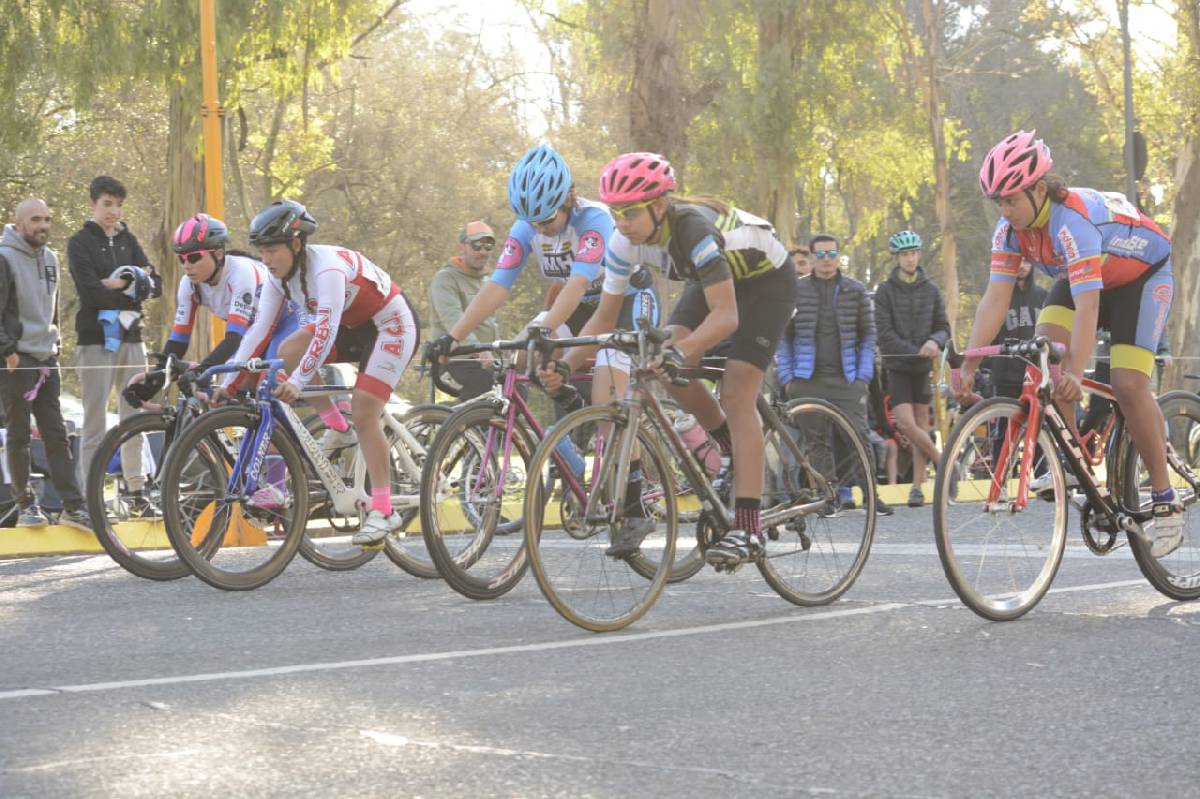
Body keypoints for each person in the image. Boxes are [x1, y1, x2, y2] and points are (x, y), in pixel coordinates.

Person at [542, 152, 797, 568]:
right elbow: (603, 317)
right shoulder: (625, 242)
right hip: (715, 281)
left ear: (660, 205)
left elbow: (727, 316)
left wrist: (678, 352)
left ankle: (748, 528)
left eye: (630, 213)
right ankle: (731, 449)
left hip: (767, 281)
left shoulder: (693, 229)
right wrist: (567, 366)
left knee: (735, 391)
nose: (621, 223)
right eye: (615, 213)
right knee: (667, 366)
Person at [957, 130, 1181, 556]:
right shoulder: (1009, 231)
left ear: (1039, 189)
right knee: (1043, 357)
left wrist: (1076, 373)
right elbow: (995, 299)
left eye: (1012, 200)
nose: (1005, 211)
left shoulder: (1072, 221)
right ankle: (1078, 466)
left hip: (1141, 278)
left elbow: (1090, 308)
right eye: (998, 202)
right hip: (1085, 280)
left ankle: (1168, 503)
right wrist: (969, 362)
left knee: (1129, 384)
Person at [219, 200, 420, 546]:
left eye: (271, 251)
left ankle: (385, 509)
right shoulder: (277, 277)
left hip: (389, 326)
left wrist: (298, 383)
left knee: (364, 410)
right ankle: (337, 427)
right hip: (352, 327)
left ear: (296, 244)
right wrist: (228, 381)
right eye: (261, 252)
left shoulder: (326, 270)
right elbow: (259, 329)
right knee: (287, 352)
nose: (265, 260)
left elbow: (324, 334)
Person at [774, 233, 892, 516]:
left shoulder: (856, 289)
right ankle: (827, 497)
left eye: (832, 254)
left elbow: (868, 336)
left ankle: (871, 495)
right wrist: (788, 377)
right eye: (821, 255)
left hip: (848, 380)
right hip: (806, 380)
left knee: (858, 437)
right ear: (812, 258)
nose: (827, 260)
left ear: (839, 257)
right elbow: (783, 336)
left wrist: (863, 377)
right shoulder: (795, 290)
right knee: (816, 442)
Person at [0, 199, 91, 530]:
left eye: (48, 220)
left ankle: (73, 506)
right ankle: (25, 505)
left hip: (46, 357)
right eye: (36, 220)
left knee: (57, 434)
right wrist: (8, 352)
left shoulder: (51, 258)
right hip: (17, 360)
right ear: (19, 222)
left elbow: (50, 309)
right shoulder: (4, 257)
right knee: (19, 435)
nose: (43, 226)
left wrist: (56, 345)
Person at [67, 175, 160, 489]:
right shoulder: (79, 242)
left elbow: (154, 285)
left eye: (119, 205)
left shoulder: (128, 240)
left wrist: (120, 282)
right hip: (95, 340)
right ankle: (88, 494)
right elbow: (91, 293)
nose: (114, 211)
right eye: (107, 204)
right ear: (93, 203)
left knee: (134, 417)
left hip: (132, 338)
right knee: (94, 421)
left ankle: (136, 488)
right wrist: (132, 284)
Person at [873, 229, 951, 507]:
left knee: (921, 425)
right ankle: (943, 462)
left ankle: (917, 487)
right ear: (896, 258)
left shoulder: (931, 289)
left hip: (923, 367)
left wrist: (934, 341)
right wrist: (914, 350)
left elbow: (943, 328)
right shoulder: (884, 291)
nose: (910, 259)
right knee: (906, 424)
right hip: (897, 365)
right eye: (904, 254)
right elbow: (884, 332)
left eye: (913, 253)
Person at [427, 221, 501, 400]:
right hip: (453, 363)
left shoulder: (487, 281)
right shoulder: (445, 279)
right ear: (462, 247)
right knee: (485, 386)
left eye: (488, 246)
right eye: (476, 245)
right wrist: (480, 350)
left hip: (484, 362)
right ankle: (448, 425)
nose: (482, 251)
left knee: (516, 389)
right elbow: (453, 319)